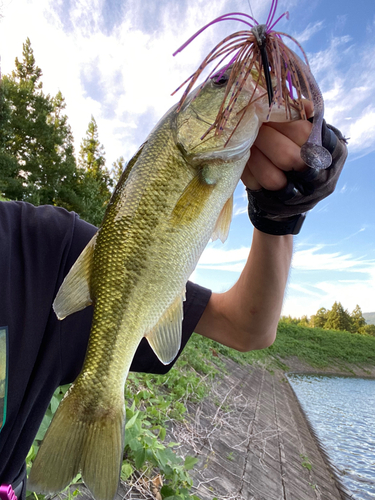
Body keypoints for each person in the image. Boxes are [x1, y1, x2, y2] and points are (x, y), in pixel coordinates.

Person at [0, 101, 347, 499]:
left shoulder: (43, 245)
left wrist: (279, 216)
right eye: (220, 86)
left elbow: (247, 326)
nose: (230, 91)